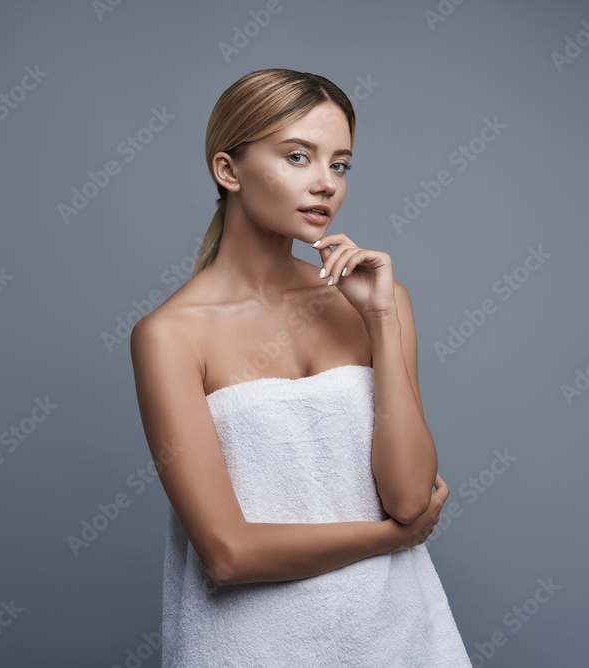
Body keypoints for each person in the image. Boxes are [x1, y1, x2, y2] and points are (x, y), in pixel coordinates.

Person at [130, 68, 471, 667]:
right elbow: (228, 553)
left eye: (339, 165)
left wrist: (382, 321)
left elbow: (411, 497)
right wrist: (389, 540)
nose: (325, 184)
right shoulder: (170, 336)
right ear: (228, 170)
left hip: (399, 638)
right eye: (298, 156)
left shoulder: (380, 301)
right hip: (254, 648)